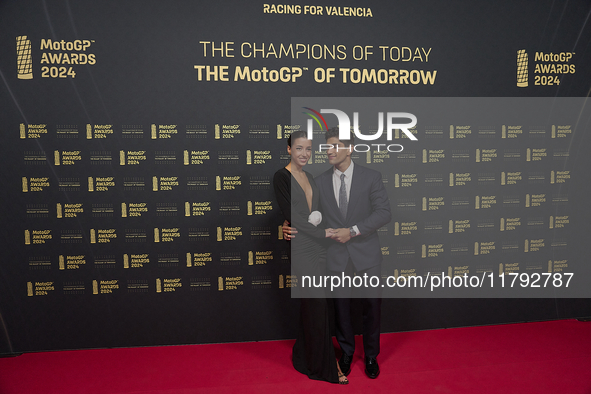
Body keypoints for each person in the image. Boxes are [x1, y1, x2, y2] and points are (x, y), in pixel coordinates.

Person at [284, 128, 391, 379]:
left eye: (334, 146)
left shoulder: (371, 177)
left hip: (367, 254)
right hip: (335, 256)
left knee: (372, 307)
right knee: (341, 308)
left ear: (349, 148)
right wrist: (288, 224)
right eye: (327, 147)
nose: (329, 151)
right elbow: (308, 214)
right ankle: (346, 352)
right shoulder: (318, 181)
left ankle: (372, 356)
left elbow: (384, 213)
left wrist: (352, 231)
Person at [273, 130, 349, 385]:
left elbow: (320, 212)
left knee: (318, 306)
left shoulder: (311, 177)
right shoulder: (281, 177)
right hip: (301, 249)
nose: (304, 154)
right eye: (298, 148)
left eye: (308, 149)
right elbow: (291, 213)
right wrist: (320, 231)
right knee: (316, 306)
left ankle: (303, 356)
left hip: (319, 248)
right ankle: (326, 367)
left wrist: (325, 230)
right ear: (288, 150)